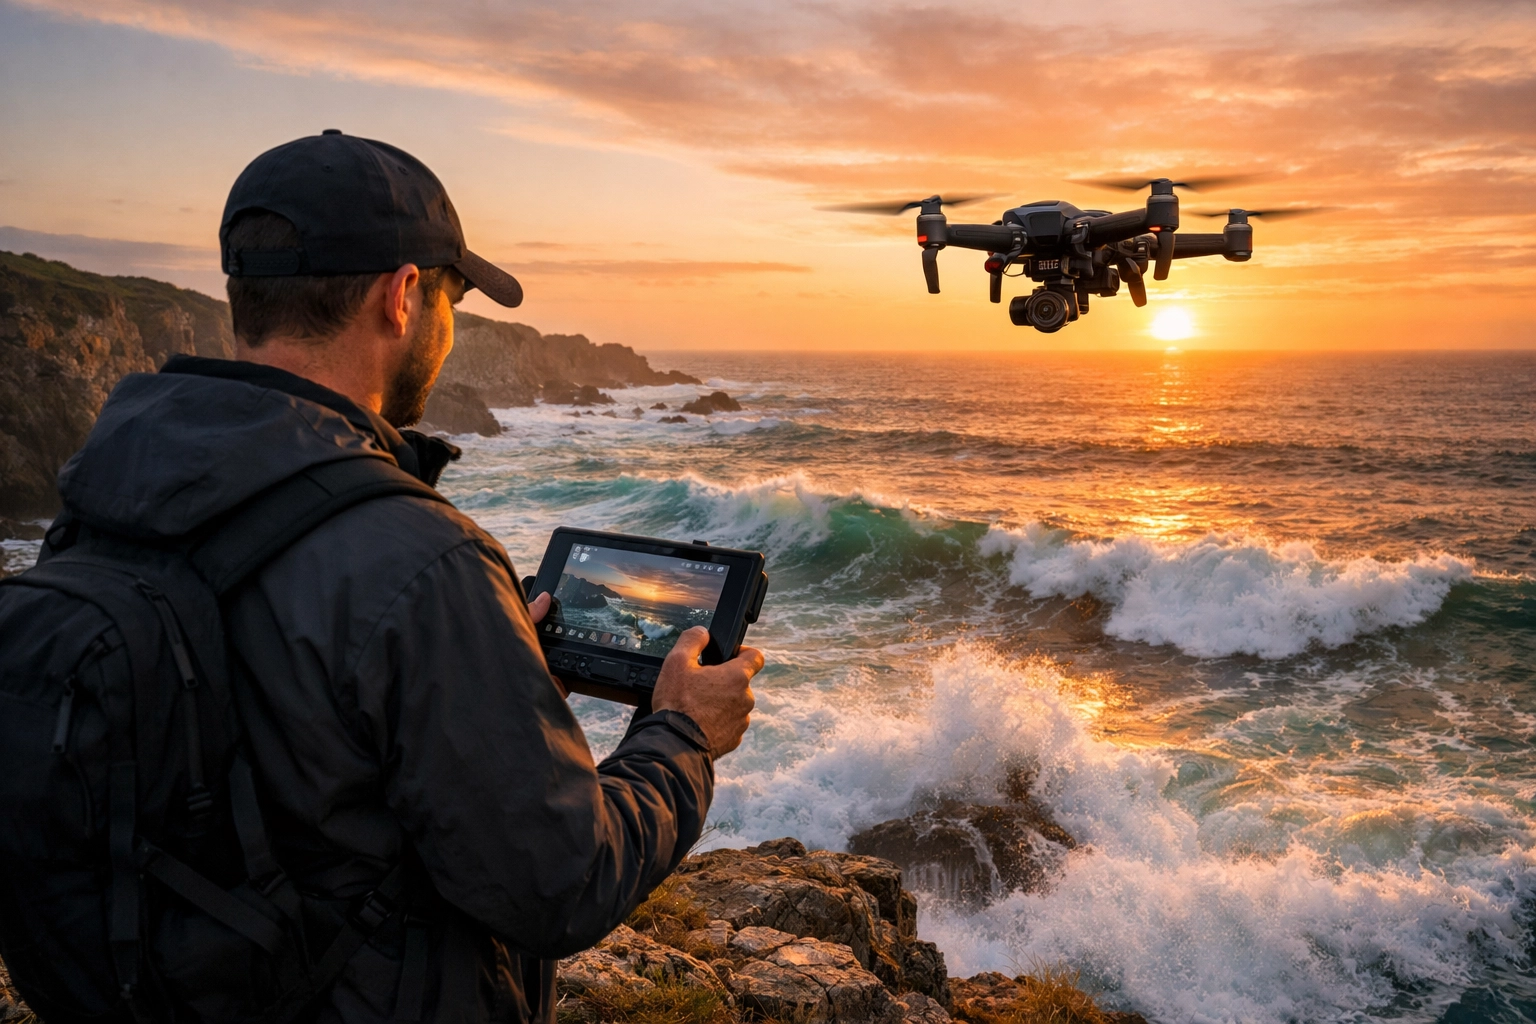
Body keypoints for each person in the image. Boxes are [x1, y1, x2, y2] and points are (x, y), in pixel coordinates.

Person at [50, 130, 762, 1023]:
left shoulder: (103, 492)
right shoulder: (420, 557)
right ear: (402, 296)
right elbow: (561, 882)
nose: (451, 329)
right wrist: (683, 736)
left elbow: (257, 745)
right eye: (453, 300)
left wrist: (486, 683)